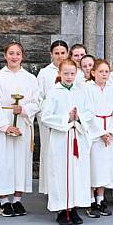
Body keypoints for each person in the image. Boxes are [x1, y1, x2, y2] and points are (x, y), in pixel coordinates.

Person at [0, 42, 40, 217]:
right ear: (5, 55)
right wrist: (5, 126)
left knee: (20, 161)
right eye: (11, 53)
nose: (14, 57)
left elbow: (37, 102)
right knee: (4, 161)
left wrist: (23, 110)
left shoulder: (31, 78)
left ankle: (17, 200)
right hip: (4, 123)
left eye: (17, 53)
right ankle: (3, 201)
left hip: (22, 123)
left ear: (22, 56)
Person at [40, 59, 94, 225]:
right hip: (61, 138)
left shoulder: (81, 91)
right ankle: (62, 209)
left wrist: (79, 117)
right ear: (59, 73)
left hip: (77, 135)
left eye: (72, 73)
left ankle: (74, 207)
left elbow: (90, 113)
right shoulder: (53, 92)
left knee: (77, 173)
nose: (69, 77)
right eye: (66, 73)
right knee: (61, 173)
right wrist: (66, 118)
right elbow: (46, 117)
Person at [84, 59, 113, 218]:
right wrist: (100, 132)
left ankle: (101, 199)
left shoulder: (112, 89)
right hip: (94, 132)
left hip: (109, 130)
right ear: (93, 73)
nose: (104, 75)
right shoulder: (87, 88)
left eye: (107, 72)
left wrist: (110, 131)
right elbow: (87, 112)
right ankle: (91, 200)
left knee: (104, 167)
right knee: (94, 166)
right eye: (100, 71)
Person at [36, 40, 70, 195]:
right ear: (51, 55)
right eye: (57, 53)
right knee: (50, 153)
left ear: (67, 53)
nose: (60, 56)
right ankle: (51, 189)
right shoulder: (45, 73)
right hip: (50, 120)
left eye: (63, 53)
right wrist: (49, 115)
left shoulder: (73, 71)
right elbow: (39, 97)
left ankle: (68, 188)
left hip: (69, 122)